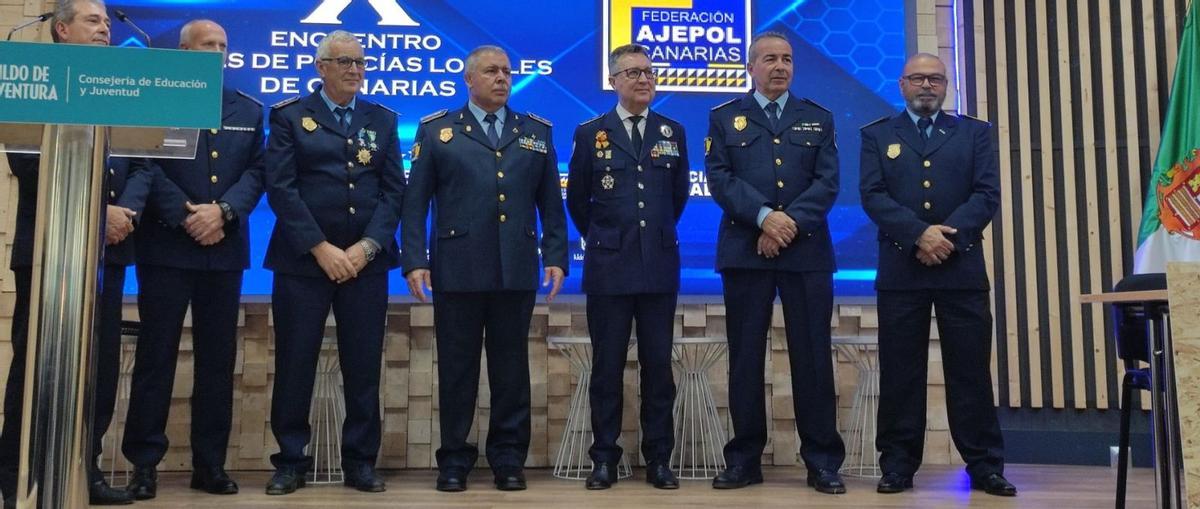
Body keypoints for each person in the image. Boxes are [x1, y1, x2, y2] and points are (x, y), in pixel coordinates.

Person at [0, 1, 148, 506]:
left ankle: (85, 470)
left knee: (98, 366)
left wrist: (122, 209)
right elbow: (24, 158)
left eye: (107, 20)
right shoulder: (34, 81)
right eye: (92, 19)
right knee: (35, 364)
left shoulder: (125, 87)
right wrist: (94, 210)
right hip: (48, 249)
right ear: (61, 29)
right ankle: (15, 475)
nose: (105, 26)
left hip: (105, 257)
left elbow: (146, 159)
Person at [401, 45, 568, 493]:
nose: (501, 78)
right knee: (457, 369)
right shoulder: (437, 131)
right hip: (456, 269)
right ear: (469, 80)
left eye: (507, 72)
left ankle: (508, 458)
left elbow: (551, 203)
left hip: (515, 268)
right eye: (491, 71)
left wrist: (556, 256)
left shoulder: (534, 132)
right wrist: (414, 260)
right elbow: (414, 205)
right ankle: (454, 459)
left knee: (511, 370)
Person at [859, 52, 1015, 497]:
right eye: (917, 79)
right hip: (901, 269)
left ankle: (984, 466)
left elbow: (987, 194)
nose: (927, 85)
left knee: (969, 373)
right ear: (901, 84)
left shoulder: (974, 133)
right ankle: (898, 466)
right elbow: (872, 195)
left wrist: (946, 238)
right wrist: (919, 235)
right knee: (900, 374)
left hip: (960, 268)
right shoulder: (877, 135)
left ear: (946, 86)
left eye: (935, 79)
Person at [121, 19, 264, 500]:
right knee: (156, 357)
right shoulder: (157, 100)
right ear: (184, 51)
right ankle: (144, 464)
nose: (218, 52)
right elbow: (145, 165)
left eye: (224, 45)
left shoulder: (248, 108)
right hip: (167, 247)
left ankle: (210, 464)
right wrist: (188, 216)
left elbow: (258, 171)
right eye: (208, 45)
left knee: (217, 362)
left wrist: (222, 212)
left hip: (224, 250)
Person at [261, 30, 405, 496]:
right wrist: (321, 248)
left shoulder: (381, 119)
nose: (355, 70)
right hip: (304, 263)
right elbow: (281, 188)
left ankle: (360, 462)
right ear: (321, 67)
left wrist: (367, 247)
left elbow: (392, 191)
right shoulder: (289, 116)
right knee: (295, 363)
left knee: (362, 366)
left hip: (365, 265)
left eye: (361, 63)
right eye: (345, 62)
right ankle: (290, 461)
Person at [704, 31, 846, 494]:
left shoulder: (817, 118)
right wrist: (765, 219)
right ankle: (744, 459)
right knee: (745, 358)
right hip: (746, 251)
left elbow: (827, 182)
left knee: (812, 358)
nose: (779, 66)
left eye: (786, 59)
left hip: (806, 253)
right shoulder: (725, 118)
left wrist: (785, 226)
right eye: (769, 59)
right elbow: (720, 179)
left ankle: (822, 461)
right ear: (751, 67)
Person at [565, 43, 687, 490]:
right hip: (609, 266)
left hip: (657, 266)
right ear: (614, 81)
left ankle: (658, 458)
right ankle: (604, 458)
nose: (643, 80)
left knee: (659, 368)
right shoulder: (590, 133)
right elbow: (578, 202)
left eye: (649, 72)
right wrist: (607, 237)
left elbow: (675, 200)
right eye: (632, 73)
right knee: (607, 367)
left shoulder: (672, 131)